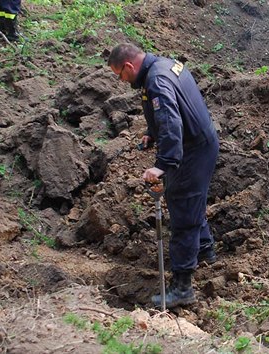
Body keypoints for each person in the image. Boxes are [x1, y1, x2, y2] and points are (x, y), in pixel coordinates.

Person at [108, 43, 219, 308]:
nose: (121, 81)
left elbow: (171, 121)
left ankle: (182, 288)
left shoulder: (156, 80)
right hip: (200, 143)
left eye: (119, 75)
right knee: (190, 202)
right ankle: (205, 249)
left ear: (129, 66)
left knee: (182, 208)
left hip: (192, 150)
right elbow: (172, 108)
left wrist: (163, 164)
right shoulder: (165, 65)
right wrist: (152, 132)